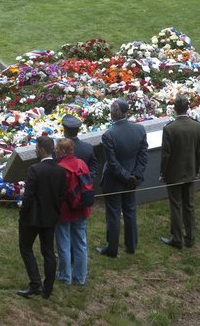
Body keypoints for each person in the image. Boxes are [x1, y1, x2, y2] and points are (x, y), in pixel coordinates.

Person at [18, 135, 67, 299]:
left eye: (36, 147)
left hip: (32, 217)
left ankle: (35, 284)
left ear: (40, 149)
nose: (35, 149)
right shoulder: (60, 170)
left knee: (26, 248)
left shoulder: (34, 169)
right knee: (48, 252)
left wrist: (22, 212)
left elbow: (29, 196)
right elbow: (62, 195)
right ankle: (48, 288)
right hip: (50, 217)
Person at [99, 99, 148, 257]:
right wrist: (135, 175)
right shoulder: (139, 129)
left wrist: (128, 176)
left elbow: (112, 163)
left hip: (115, 180)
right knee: (130, 210)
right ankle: (131, 245)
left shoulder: (109, 134)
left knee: (113, 213)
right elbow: (143, 156)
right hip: (132, 178)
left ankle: (112, 248)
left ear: (114, 113)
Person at [159, 95, 200, 249]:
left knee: (176, 205)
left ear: (175, 109)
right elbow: (199, 152)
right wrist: (196, 169)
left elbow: (166, 155)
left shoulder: (170, 128)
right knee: (189, 205)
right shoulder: (196, 126)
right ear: (188, 108)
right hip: (190, 171)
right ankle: (190, 237)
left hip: (174, 174)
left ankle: (177, 238)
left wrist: (163, 173)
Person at [54, 138, 91, 285]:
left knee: (64, 243)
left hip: (65, 211)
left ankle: (65, 276)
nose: (55, 151)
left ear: (63, 151)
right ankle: (80, 277)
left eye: (57, 148)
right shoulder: (82, 164)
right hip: (82, 208)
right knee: (81, 243)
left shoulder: (60, 168)